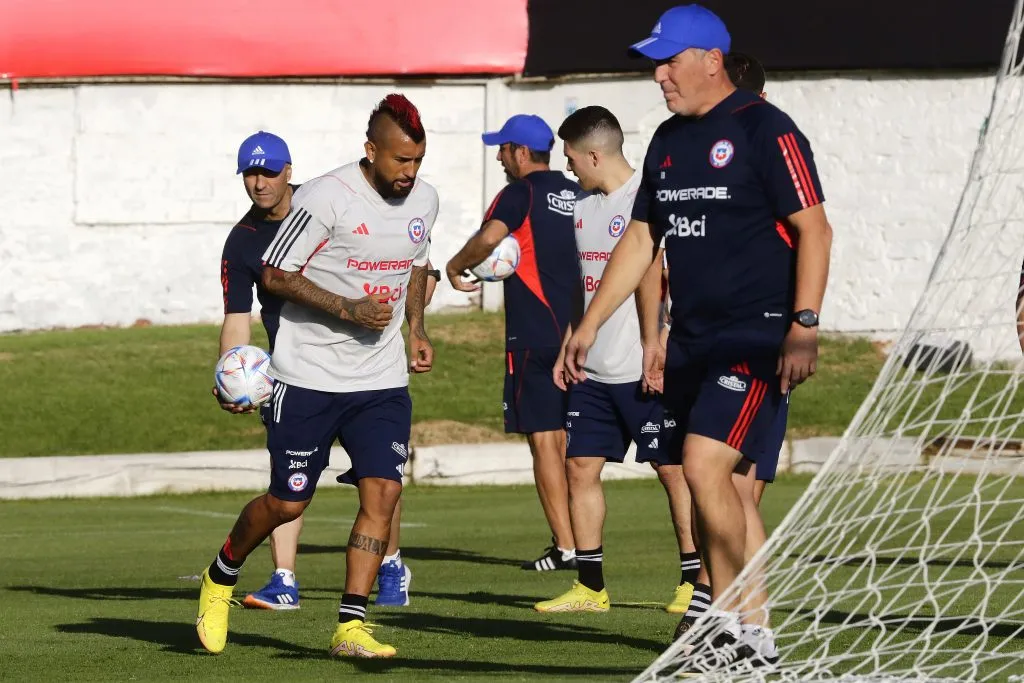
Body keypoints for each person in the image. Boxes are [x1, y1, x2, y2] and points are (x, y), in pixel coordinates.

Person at [565, 4, 833, 669]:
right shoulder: (665, 141)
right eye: (655, 63)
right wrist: (592, 323)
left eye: (670, 60)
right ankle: (750, 632)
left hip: (757, 336)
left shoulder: (765, 129)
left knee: (708, 467)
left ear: (713, 59)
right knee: (721, 482)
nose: (659, 75)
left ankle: (735, 624)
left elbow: (815, 230)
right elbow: (640, 239)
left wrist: (804, 324)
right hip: (691, 340)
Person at [196, 93, 438, 659]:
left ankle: (350, 625)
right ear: (370, 150)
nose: (410, 173)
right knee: (288, 503)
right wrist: (348, 309)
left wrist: (418, 328)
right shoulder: (328, 197)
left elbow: (418, 261)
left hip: (380, 380)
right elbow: (276, 275)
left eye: (417, 161)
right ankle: (222, 572)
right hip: (306, 376)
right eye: (400, 160)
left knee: (383, 490)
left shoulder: (425, 199)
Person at [533, 105, 700, 615]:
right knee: (579, 466)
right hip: (594, 370)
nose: (568, 169)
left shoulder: (647, 200)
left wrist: (658, 339)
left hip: (642, 369)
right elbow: (587, 292)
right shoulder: (584, 208)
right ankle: (590, 587)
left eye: (571, 159)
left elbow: (656, 273)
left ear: (593, 154)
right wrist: (570, 342)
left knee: (672, 470)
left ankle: (693, 581)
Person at [446, 115, 581, 572]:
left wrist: (456, 264)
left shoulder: (518, 192)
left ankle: (566, 546)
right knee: (574, 444)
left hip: (534, 336)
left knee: (545, 441)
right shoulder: (575, 191)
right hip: (580, 333)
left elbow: (490, 238)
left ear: (522, 153)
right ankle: (586, 544)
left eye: (502, 149)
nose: (500, 157)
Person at [215, 131, 306, 610]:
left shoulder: (320, 213)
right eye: (250, 173)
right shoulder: (242, 241)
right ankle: (285, 579)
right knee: (287, 480)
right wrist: (229, 374)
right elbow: (237, 319)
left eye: (268, 171)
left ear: (289, 171)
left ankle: (392, 563)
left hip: (351, 359)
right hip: (289, 372)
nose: (259, 181)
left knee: (375, 474)